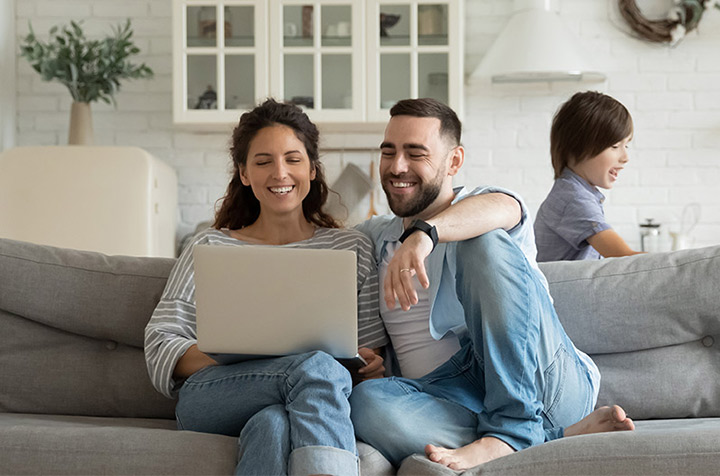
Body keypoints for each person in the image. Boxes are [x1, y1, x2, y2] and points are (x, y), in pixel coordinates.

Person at [349, 98, 634, 471]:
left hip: (542, 378)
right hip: (450, 394)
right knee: (364, 403)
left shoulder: (484, 204)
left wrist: (425, 234)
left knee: (482, 239)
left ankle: (513, 428)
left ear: (454, 161)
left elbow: (502, 209)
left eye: (415, 153)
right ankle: (548, 437)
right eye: (389, 152)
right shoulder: (374, 237)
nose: (397, 166)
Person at [144, 99, 388, 476]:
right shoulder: (209, 247)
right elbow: (161, 344)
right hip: (215, 396)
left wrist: (370, 363)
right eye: (263, 161)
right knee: (316, 368)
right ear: (243, 173)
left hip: (309, 397)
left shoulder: (351, 248)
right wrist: (243, 352)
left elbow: (369, 350)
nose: (280, 173)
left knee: (273, 425)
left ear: (311, 168)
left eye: (293, 159)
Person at [534, 91, 642, 261]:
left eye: (626, 146)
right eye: (615, 146)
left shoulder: (577, 193)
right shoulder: (573, 199)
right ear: (577, 146)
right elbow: (625, 258)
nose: (625, 157)